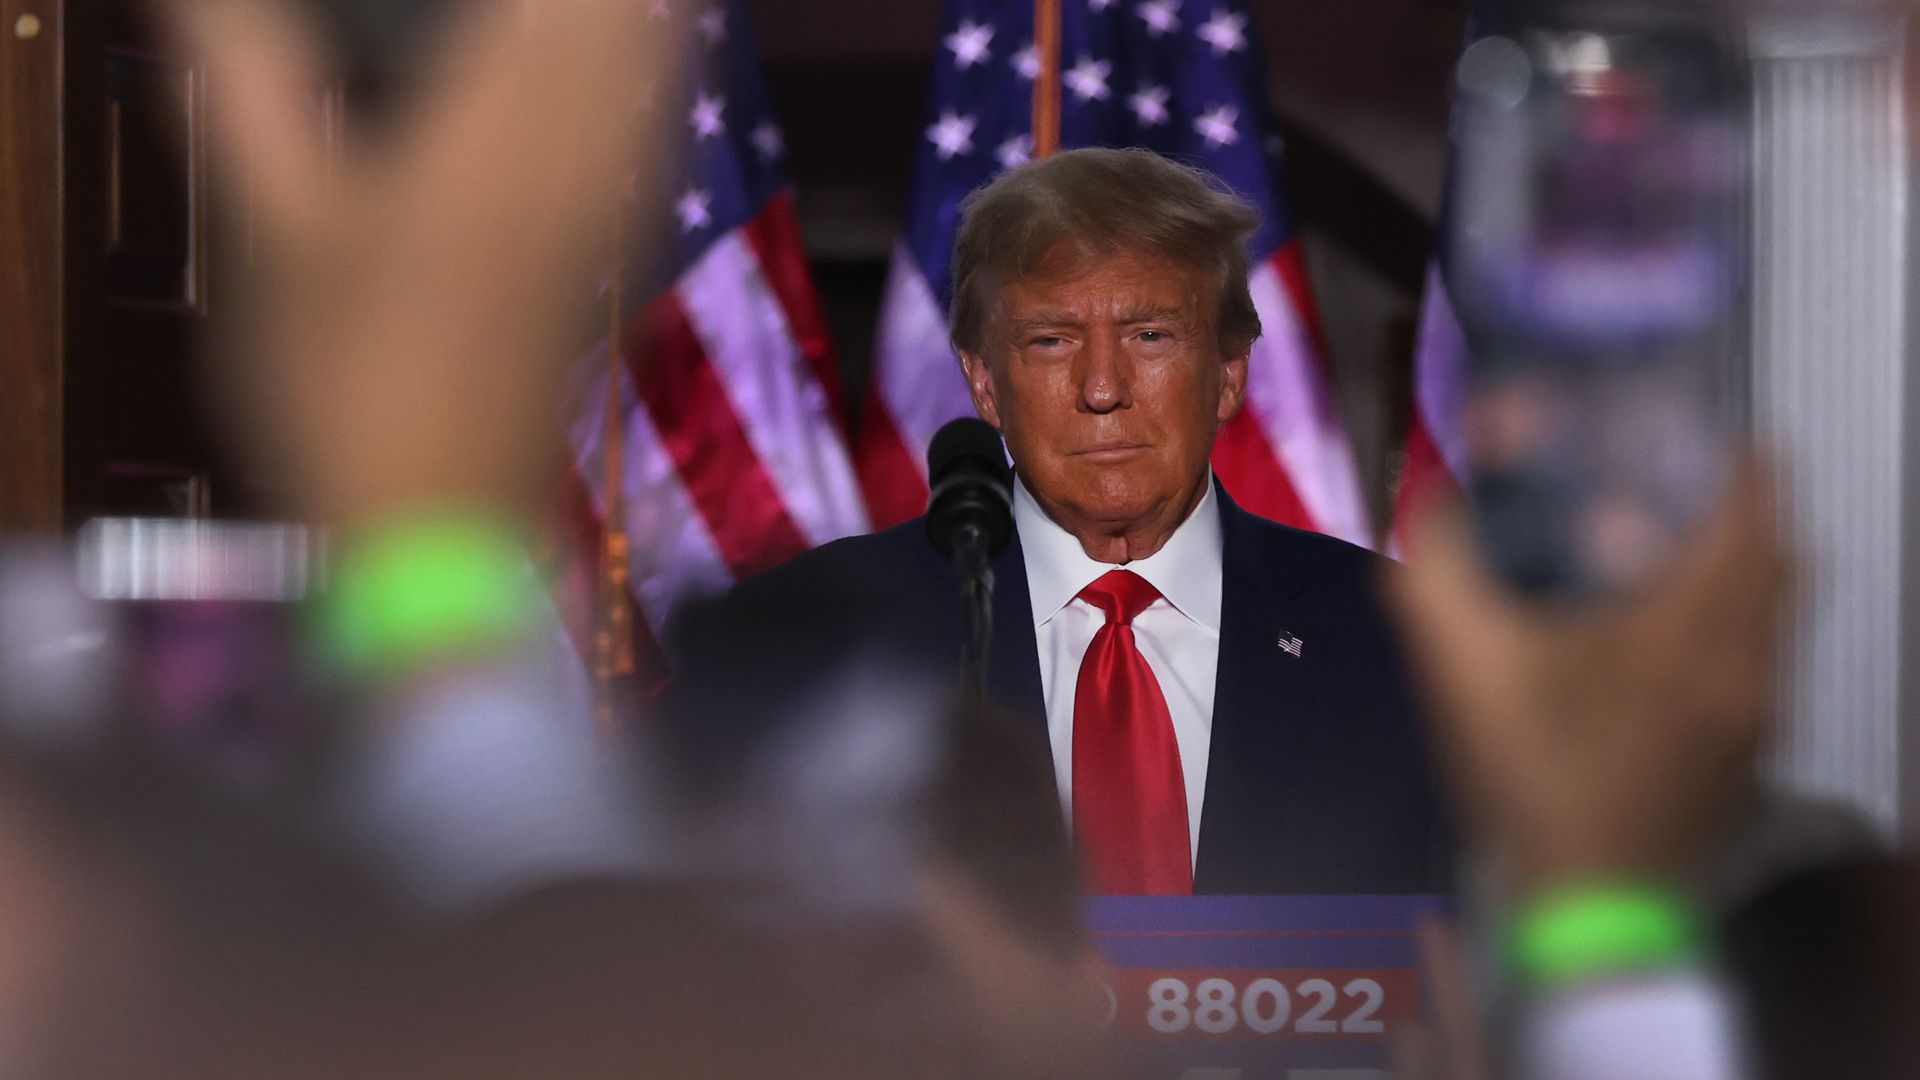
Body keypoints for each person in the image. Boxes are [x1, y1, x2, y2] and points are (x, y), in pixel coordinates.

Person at [680, 147, 1450, 896]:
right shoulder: (821, 642)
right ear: (984, 383)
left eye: (1150, 335)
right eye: (1052, 341)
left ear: (1228, 371)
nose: (1103, 388)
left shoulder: (1402, 643)